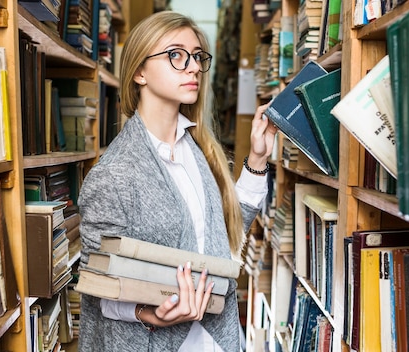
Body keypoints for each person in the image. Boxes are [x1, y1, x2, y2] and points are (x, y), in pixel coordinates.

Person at [77, 10, 277, 352]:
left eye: (197, 56)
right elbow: (99, 289)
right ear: (140, 72)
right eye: (176, 55)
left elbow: (224, 238)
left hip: (216, 339)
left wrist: (257, 158)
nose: (194, 67)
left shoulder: (199, 149)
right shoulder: (113, 174)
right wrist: (148, 314)